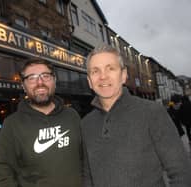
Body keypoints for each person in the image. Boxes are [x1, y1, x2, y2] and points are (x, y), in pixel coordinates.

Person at [81, 44, 191, 187]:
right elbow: (87, 175)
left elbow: (181, 172)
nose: (103, 76)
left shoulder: (152, 112)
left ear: (124, 75)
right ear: (89, 81)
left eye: (110, 68)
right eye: (95, 71)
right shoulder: (85, 124)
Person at [0, 58, 82, 187]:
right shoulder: (12, 125)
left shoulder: (72, 115)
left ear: (54, 81)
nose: (40, 82)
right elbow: (4, 173)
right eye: (32, 78)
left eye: (45, 76)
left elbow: (85, 159)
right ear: (23, 86)